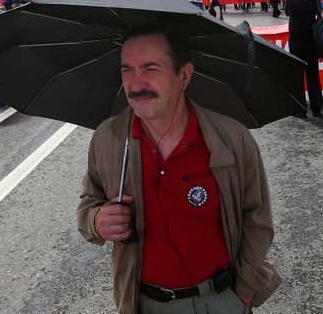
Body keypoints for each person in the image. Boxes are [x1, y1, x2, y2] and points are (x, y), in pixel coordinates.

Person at [77, 24, 281, 314]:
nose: (135, 84)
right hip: (141, 304)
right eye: (127, 70)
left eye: (150, 69)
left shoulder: (231, 139)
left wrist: (244, 294)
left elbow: (257, 220)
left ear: (184, 75)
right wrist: (97, 220)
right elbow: (88, 203)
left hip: (219, 300)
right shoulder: (108, 138)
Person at [284, 0, 323, 116]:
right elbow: (318, 14)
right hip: (310, 40)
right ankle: (317, 107)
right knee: (313, 74)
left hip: (295, 40)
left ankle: (300, 109)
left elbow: (287, 14)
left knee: (297, 75)